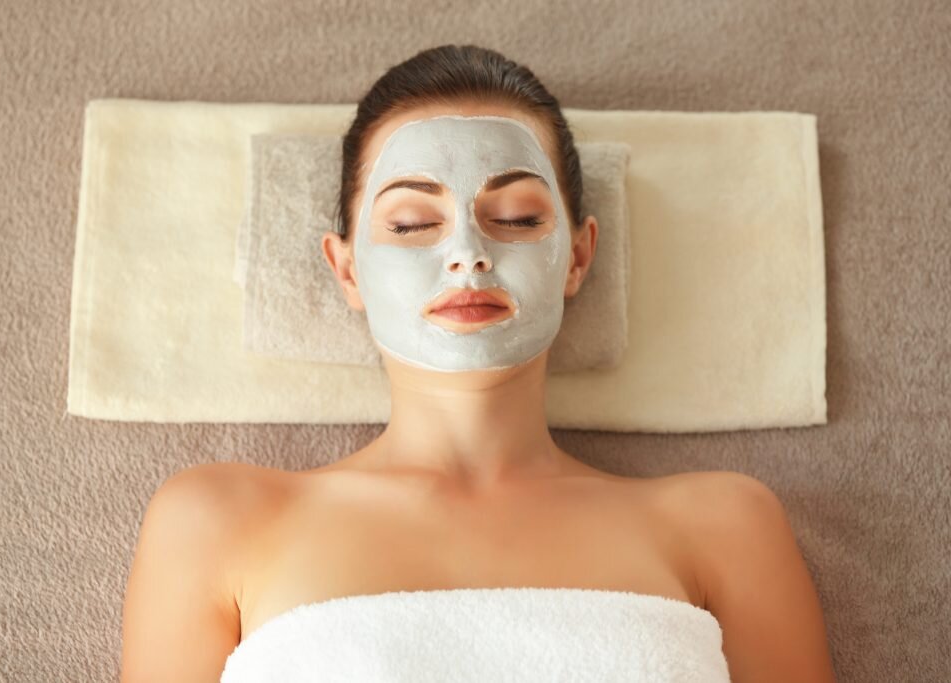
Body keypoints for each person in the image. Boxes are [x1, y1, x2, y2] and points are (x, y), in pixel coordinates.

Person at [120, 44, 837, 682]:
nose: (467, 252)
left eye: (518, 218)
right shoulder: (216, 522)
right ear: (347, 270)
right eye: (412, 223)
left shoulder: (724, 527)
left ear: (578, 256)